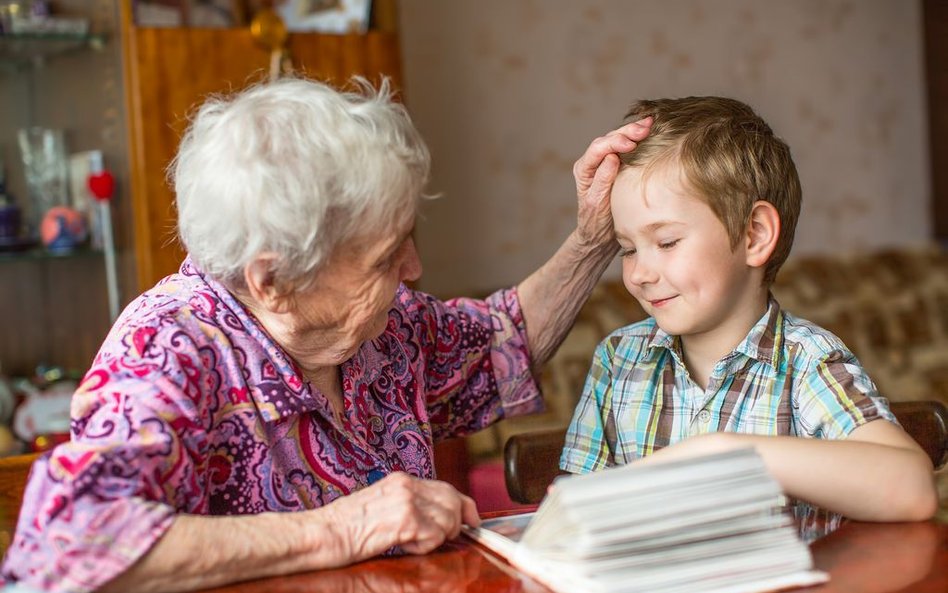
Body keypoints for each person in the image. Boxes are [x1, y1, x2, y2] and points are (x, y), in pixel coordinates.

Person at [0, 78, 652, 593]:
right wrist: (346, 525)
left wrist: (593, 240)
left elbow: (497, 343)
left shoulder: (380, 325)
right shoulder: (167, 348)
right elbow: (71, 543)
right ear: (273, 279)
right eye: (386, 254)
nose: (413, 269)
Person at [560, 96, 938, 540]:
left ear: (754, 235)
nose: (640, 273)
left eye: (665, 242)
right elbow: (571, 518)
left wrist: (726, 451)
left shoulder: (806, 363)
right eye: (627, 249)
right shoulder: (618, 359)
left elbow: (912, 488)